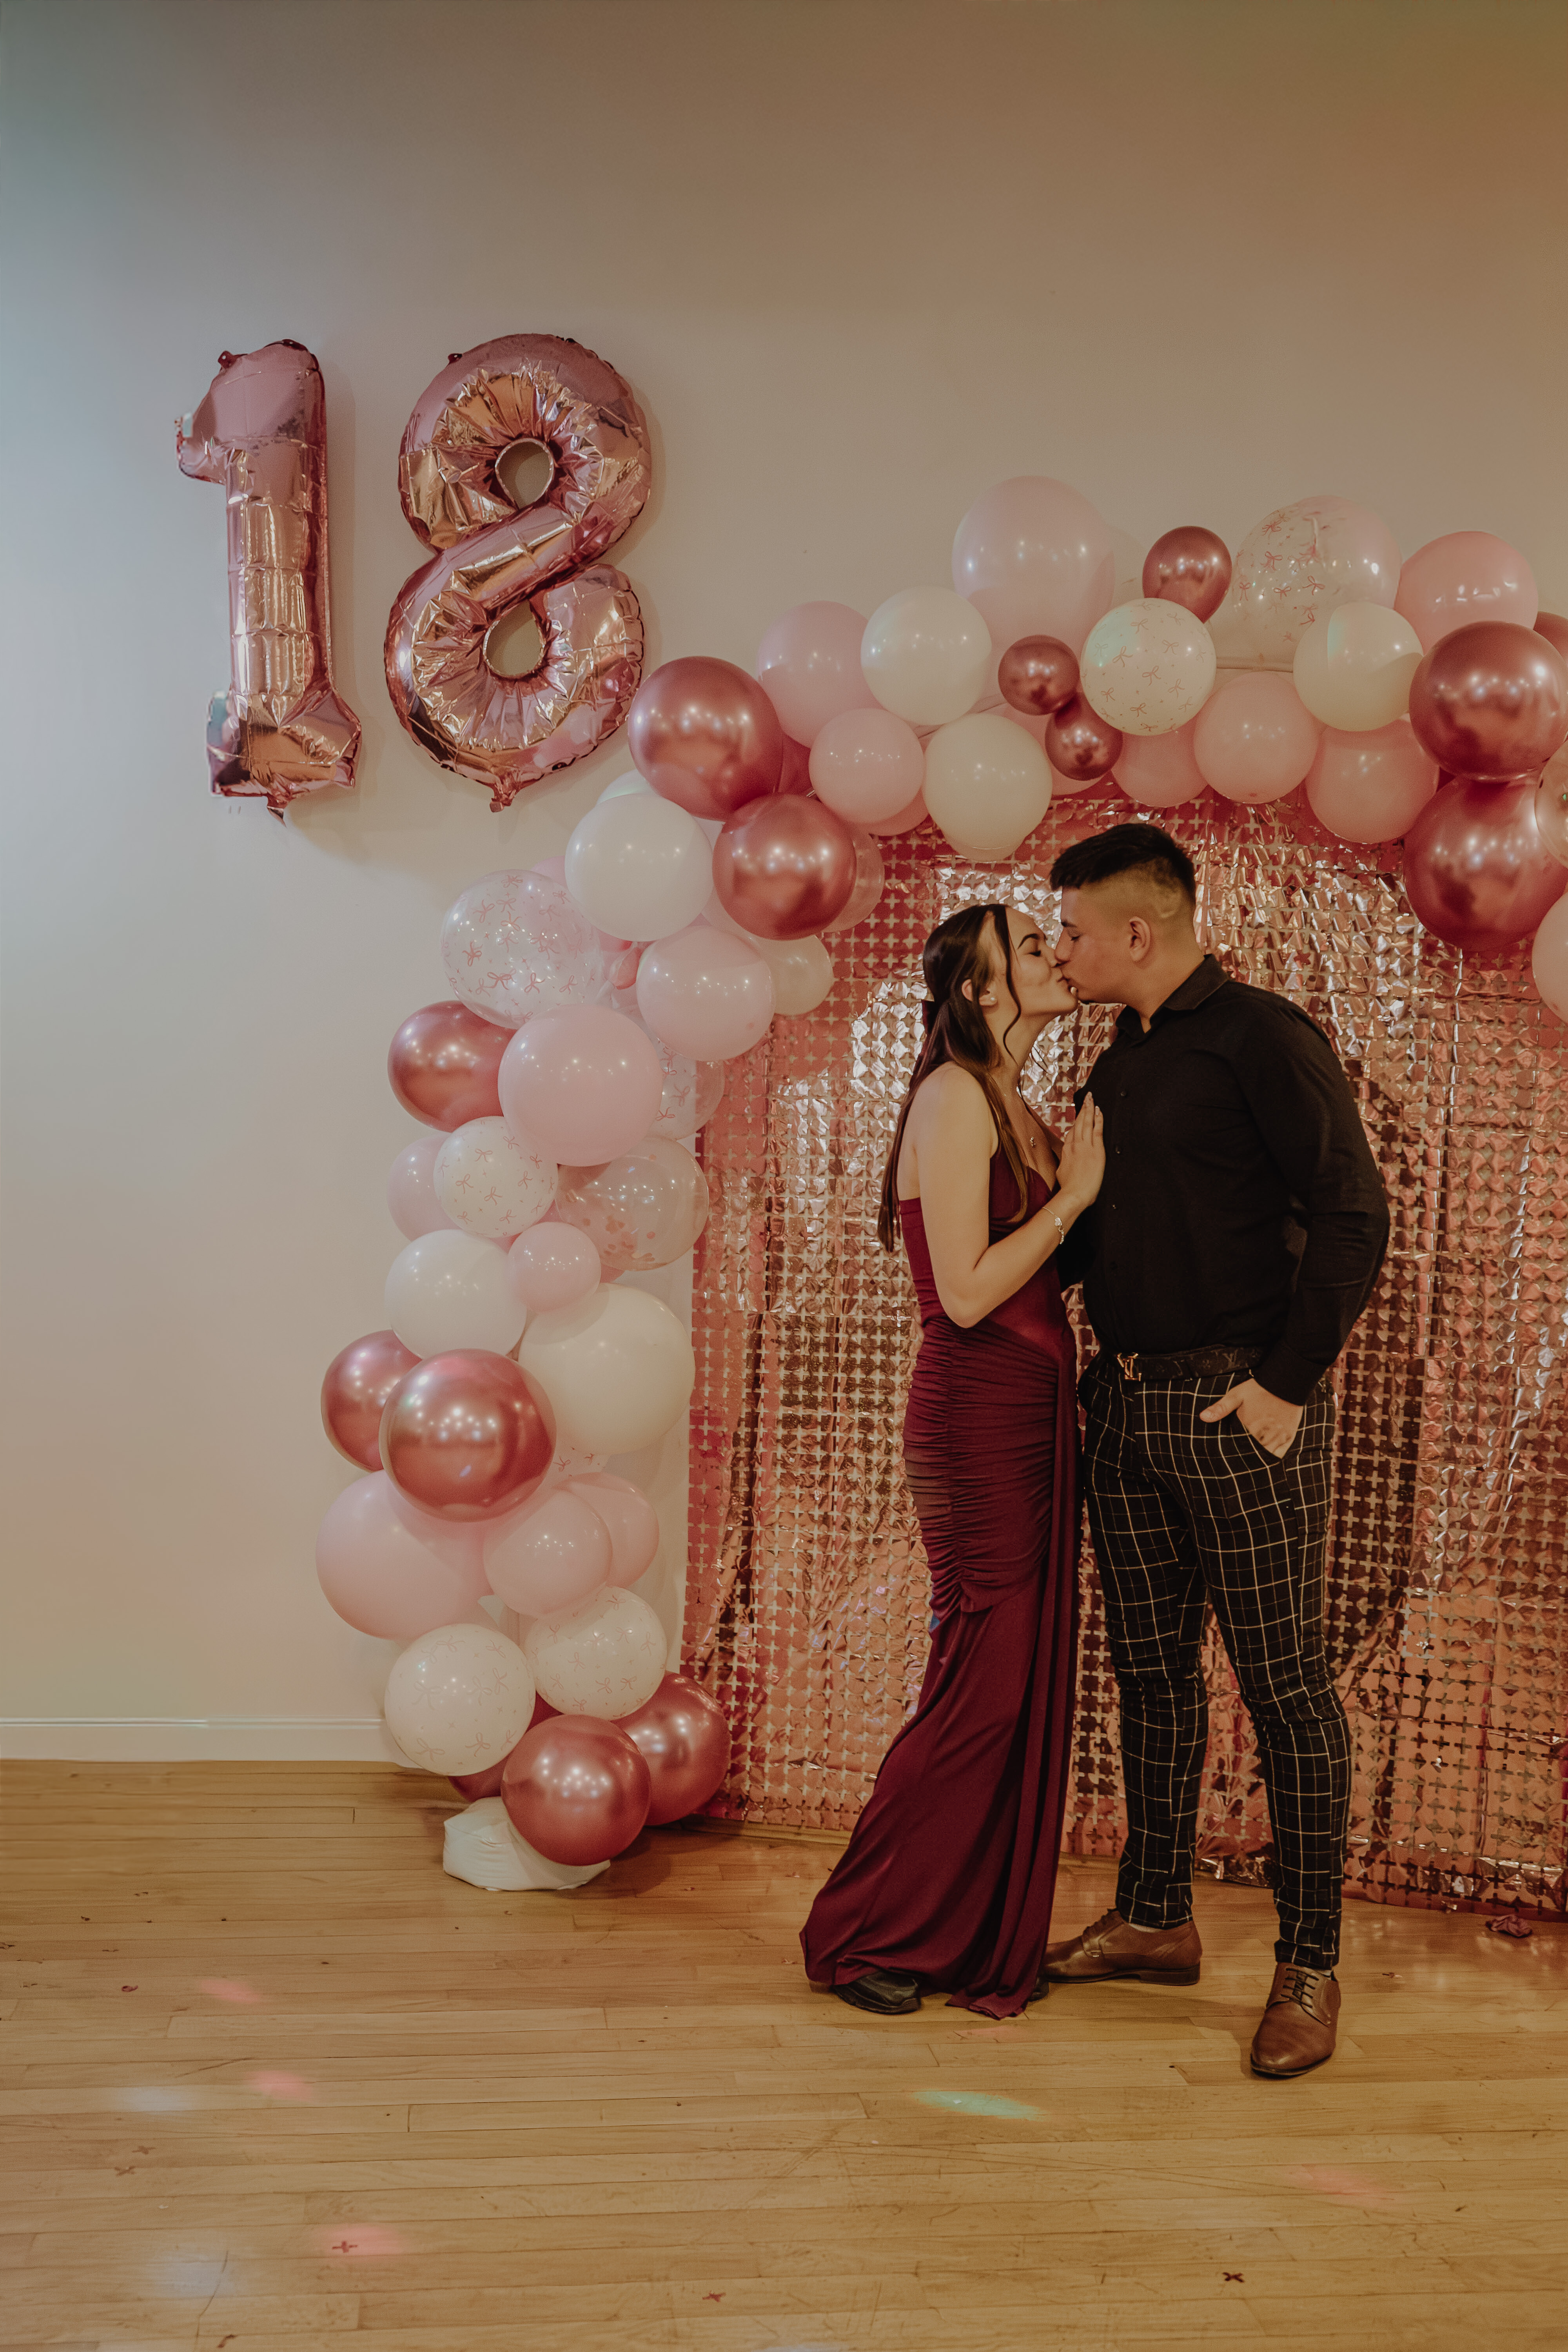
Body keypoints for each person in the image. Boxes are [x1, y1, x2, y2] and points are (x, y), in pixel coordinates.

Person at [1042, 821, 1390, 2079]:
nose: (1060, 951)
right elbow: (1101, 1235)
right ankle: (1154, 1916)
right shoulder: (1118, 1059)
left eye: (1074, 931)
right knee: (1150, 1677)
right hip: (1128, 1412)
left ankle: (1309, 1964)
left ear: (1139, 931)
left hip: (1238, 1413)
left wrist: (1285, 1387)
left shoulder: (1262, 1038)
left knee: (1285, 1688)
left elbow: (1355, 1211)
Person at [800, 902, 1105, 2018]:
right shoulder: (951, 1097)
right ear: (979, 991)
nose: (1052, 953)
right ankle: (862, 1930)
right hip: (979, 1419)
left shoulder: (1011, 1102)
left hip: (1030, 1414)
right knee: (982, 1686)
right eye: (1028, 947)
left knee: (1003, 1685)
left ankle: (948, 1928)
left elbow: (1038, 1276)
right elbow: (970, 1293)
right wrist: (1077, 1198)